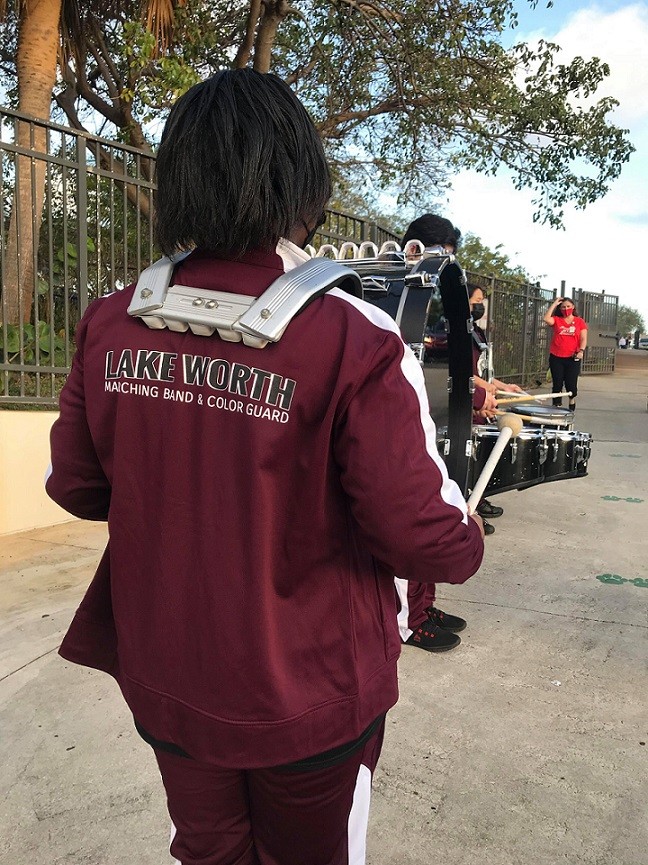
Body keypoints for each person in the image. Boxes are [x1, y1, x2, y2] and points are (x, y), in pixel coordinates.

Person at [46, 71, 484, 865]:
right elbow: (428, 539)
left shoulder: (111, 322)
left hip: (169, 679)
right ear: (301, 183)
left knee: (207, 850)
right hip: (310, 695)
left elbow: (77, 486)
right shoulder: (356, 336)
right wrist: (469, 531)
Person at [393, 215, 491, 653]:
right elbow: (417, 361)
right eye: (446, 249)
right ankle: (407, 621)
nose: (449, 259)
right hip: (403, 420)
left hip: (430, 417)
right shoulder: (401, 293)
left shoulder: (432, 292)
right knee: (408, 518)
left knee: (433, 508)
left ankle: (424, 603)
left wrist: (476, 389)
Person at [467, 283, 525, 532]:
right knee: (470, 458)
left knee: (479, 457)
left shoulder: (475, 331)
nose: (480, 306)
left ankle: (479, 498)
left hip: (481, 396)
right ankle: (471, 509)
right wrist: (483, 395)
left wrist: (502, 386)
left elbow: (483, 370)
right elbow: (465, 374)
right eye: (476, 300)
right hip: (470, 398)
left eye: (481, 301)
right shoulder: (456, 331)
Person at [543, 296, 588, 412]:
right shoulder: (557, 320)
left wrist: (581, 351)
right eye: (563, 307)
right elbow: (546, 318)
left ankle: (571, 401)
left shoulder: (579, 322)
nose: (566, 308)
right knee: (557, 383)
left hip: (572, 357)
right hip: (556, 357)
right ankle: (556, 405)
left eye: (568, 306)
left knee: (571, 383)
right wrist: (555, 303)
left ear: (573, 307)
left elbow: (583, 338)